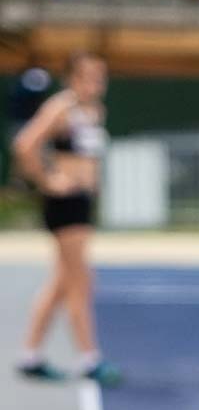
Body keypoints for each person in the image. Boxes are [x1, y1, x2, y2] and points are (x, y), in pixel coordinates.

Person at [12, 52, 120, 385]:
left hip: (82, 203)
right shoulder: (61, 108)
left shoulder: (94, 111)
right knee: (81, 281)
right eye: (88, 76)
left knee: (61, 283)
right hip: (65, 203)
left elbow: (89, 158)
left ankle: (30, 355)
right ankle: (90, 359)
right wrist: (47, 180)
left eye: (100, 76)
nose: (96, 83)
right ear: (72, 78)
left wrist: (95, 188)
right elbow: (24, 144)